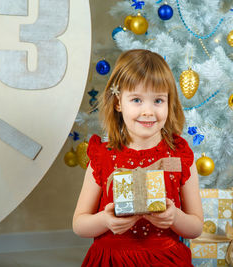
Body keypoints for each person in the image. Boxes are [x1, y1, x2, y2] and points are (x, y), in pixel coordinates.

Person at [73, 49, 203, 267]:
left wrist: (175, 218)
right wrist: (105, 220)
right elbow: (79, 224)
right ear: (118, 103)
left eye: (158, 100)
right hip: (111, 259)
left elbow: (196, 227)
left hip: (166, 258)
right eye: (136, 100)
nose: (148, 111)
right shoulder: (103, 156)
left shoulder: (179, 155)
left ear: (169, 103)